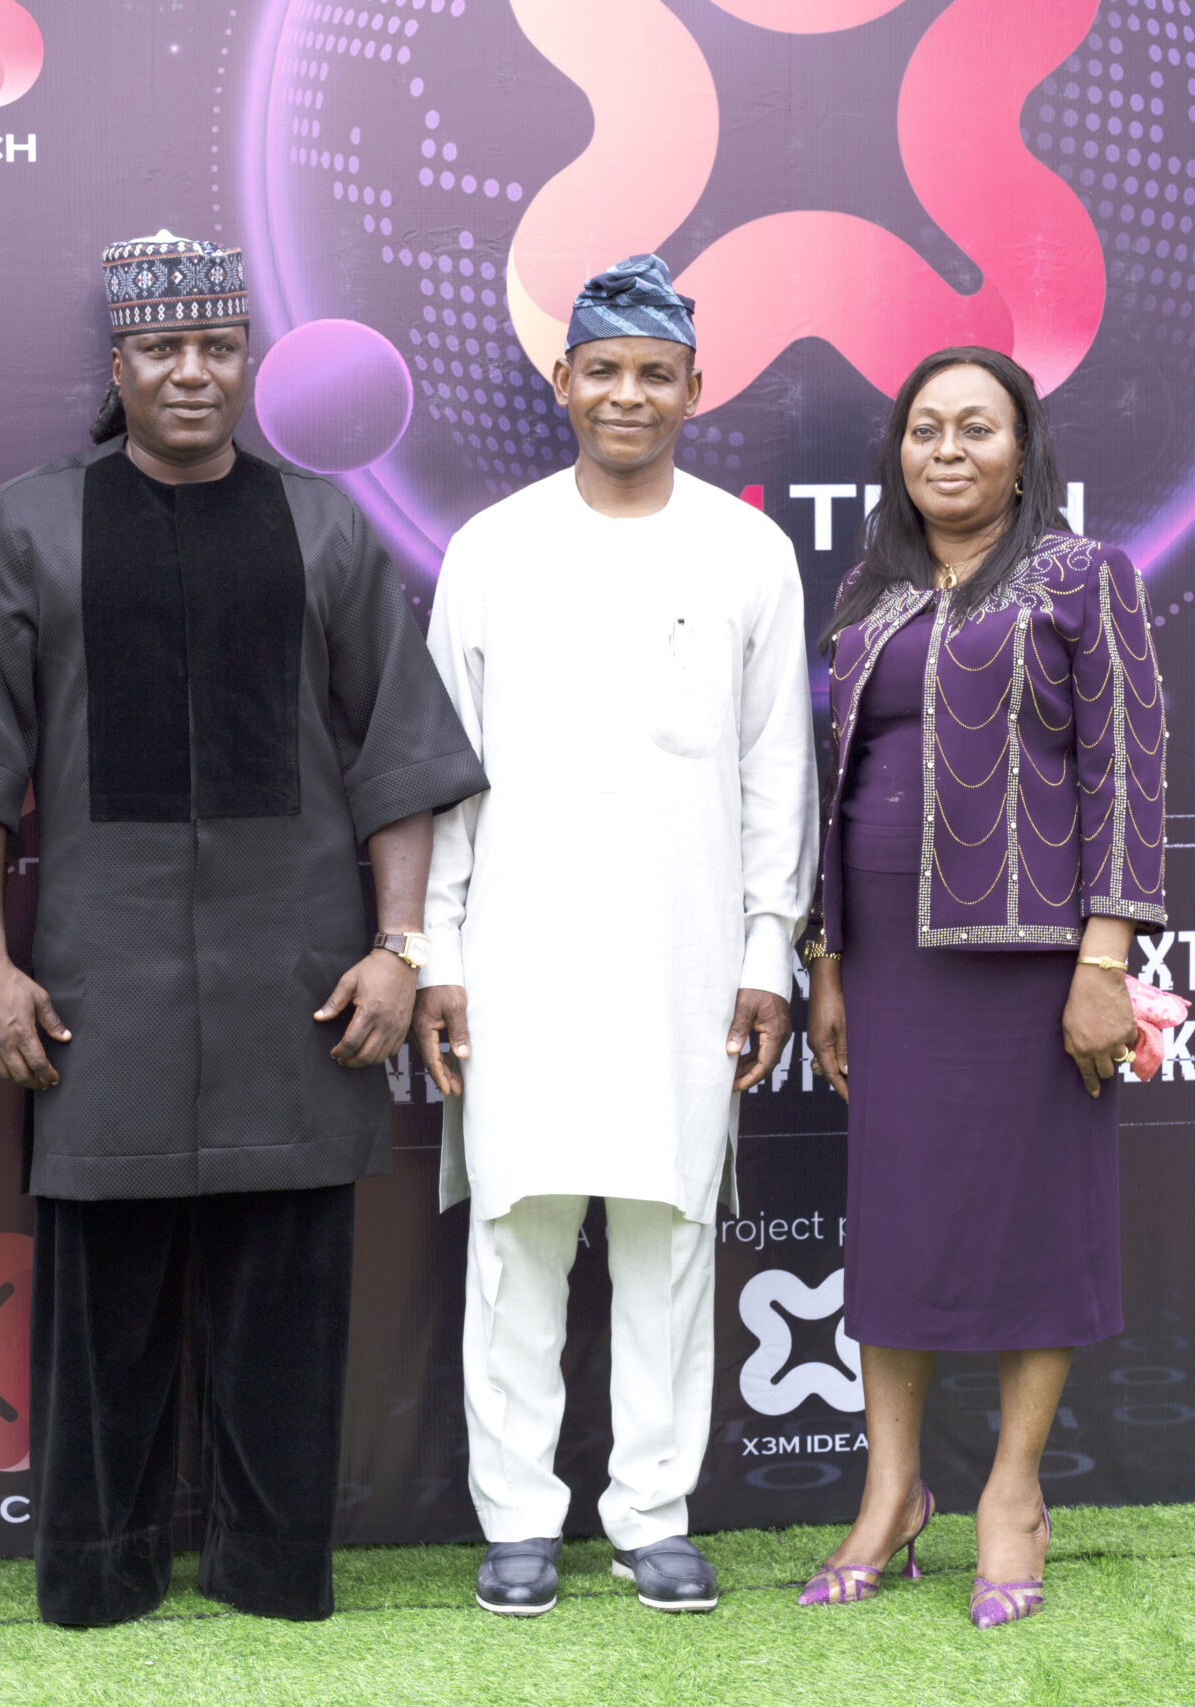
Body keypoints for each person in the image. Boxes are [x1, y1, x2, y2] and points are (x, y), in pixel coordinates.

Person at [0, 230, 487, 1627]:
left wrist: (397, 946)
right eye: (162, 348)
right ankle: (97, 1570)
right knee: (101, 1299)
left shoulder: (324, 523)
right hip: (96, 983)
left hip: (295, 974)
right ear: (117, 366)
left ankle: (270, 1564)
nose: (191, 371)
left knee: (285, 1291)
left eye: (217, 346)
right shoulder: (30, 520)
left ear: (248, 361)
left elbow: (399, 753)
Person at [411, 254, 819, 1617]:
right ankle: (517, 1516)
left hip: (688, 954)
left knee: (666, 1231)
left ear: (695, 387)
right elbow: (444, 776)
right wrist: (438, 952)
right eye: (604, 370)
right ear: (562, 381)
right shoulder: (492, 548)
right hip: (517, 952)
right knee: (518, 1234)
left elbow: (779, 774)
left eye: (655, 373)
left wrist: (770, 948)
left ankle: (654, 1512)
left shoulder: (747, 550)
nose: (627, 394)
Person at [799, 345, 1165, 1629]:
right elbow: (826, 792)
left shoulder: (1080, 577)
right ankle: (891, 1492)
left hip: (1030, 964)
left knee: (1031, 1218)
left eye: (976, 429)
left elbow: (1127, 773)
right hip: (885, 965)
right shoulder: (866, 593)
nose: (945, 450)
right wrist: (827, 961)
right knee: (894, 1221)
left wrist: (1103, 962)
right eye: (923, 429)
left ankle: (1013, 1490)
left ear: (1024, 452)